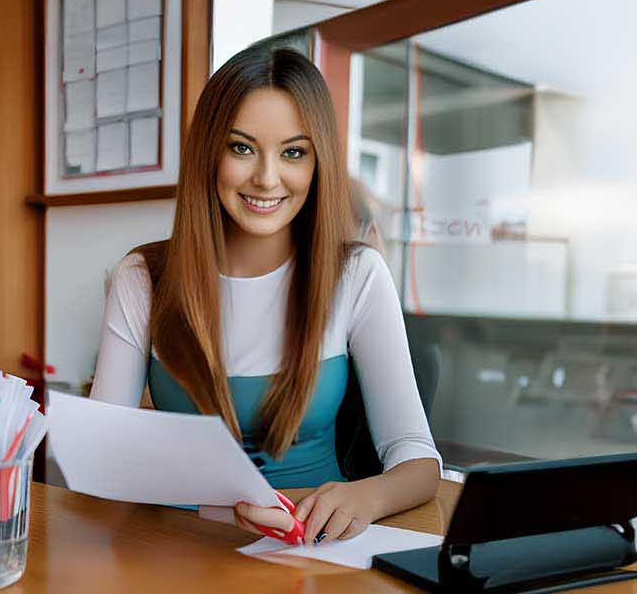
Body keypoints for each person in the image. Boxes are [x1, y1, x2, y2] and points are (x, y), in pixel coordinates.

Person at [89, 42, 440, 543]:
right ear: (210, 152)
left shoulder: (358, 274)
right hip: (179, 546)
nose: (267, 178)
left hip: (315, 546)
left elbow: (417, 460)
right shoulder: (143, 276)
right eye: (242, 148)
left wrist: (364, 496)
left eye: (293, 152)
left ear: (318, 161)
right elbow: (100, 454)